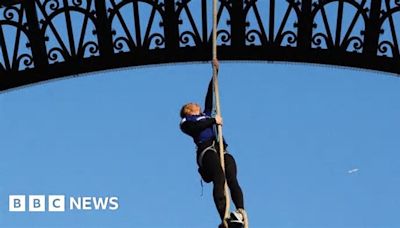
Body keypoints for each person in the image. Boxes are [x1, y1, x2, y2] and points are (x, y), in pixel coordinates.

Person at [179, 59, 245, 227]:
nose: (196, 104)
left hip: (220, 147)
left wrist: (215, 73)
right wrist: (213, 121)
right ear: (188, 110)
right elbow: (195, 128)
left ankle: (240, 212)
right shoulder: (186, 121)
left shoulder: (206, 114)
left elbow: (211, 94)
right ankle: (224, 216)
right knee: (219, 177)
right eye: (193, 105)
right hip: (206, 150)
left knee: (232, 178)